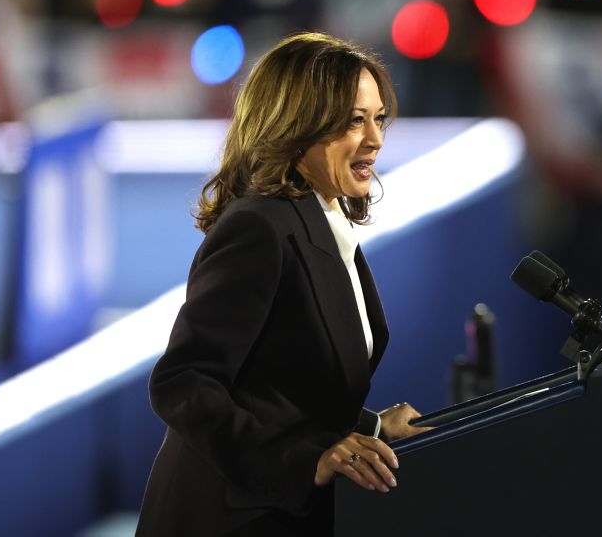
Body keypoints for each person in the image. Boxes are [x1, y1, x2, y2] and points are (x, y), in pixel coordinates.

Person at [138, 32, 429, 535]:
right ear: (298, 127)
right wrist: (300, 462)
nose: (376, 138)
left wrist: (371, 428)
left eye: (378, 118)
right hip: (226, 519)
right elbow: (183, 383)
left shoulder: (323, 218)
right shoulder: (260, 228)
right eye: (354, 121)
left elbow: (277, 388)